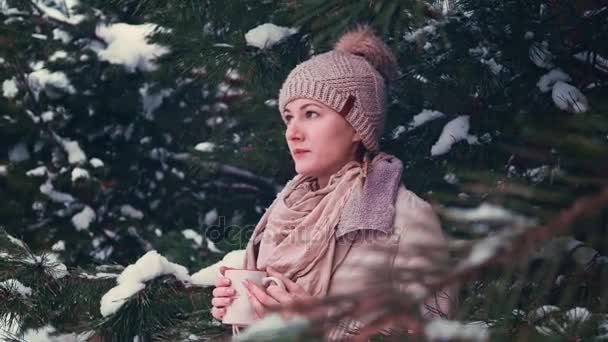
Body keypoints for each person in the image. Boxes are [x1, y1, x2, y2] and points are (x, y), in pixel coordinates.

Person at [210, 25, 452, 339]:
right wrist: (244, 312)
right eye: (288, 116)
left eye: (311, 113)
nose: (293, 132)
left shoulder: (406, 218)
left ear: (357, 126)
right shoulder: (283, 213)